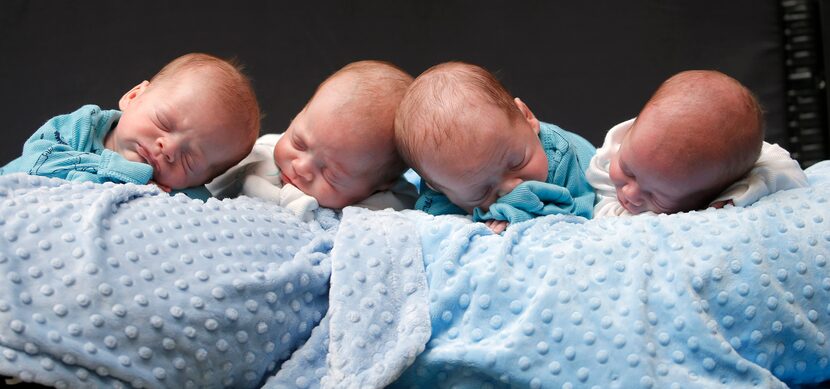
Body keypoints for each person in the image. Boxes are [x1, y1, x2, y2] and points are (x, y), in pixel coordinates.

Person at [1, 53, 260, 200]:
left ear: (205, 179)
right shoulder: (80, 127)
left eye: (190, 160)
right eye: (163, 123)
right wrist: (125, 173)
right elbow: (36, 169)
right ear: (134, 96)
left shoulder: (184, 196)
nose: (168, 148)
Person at [394, 61, 596, 234]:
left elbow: (582, 210)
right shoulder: (444, 180)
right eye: (482, 192)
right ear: (437, 186)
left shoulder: (561, 155)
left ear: (527, 117)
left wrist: (519, 212)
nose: (511, 188)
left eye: (517, 162)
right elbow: (432, 221)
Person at [207, 60, 417, 221]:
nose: (301, 167)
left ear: (380, 185)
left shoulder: (382, 209)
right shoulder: (259, 156)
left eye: (330, 174)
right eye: (299, 143)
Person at [586, 70, 808, 217]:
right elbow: (603, 216)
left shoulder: (725, 172)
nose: (630, 193)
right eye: (628, 170)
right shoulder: (612, 155)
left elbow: (789, 173)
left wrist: (739, 194)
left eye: (656, 195)